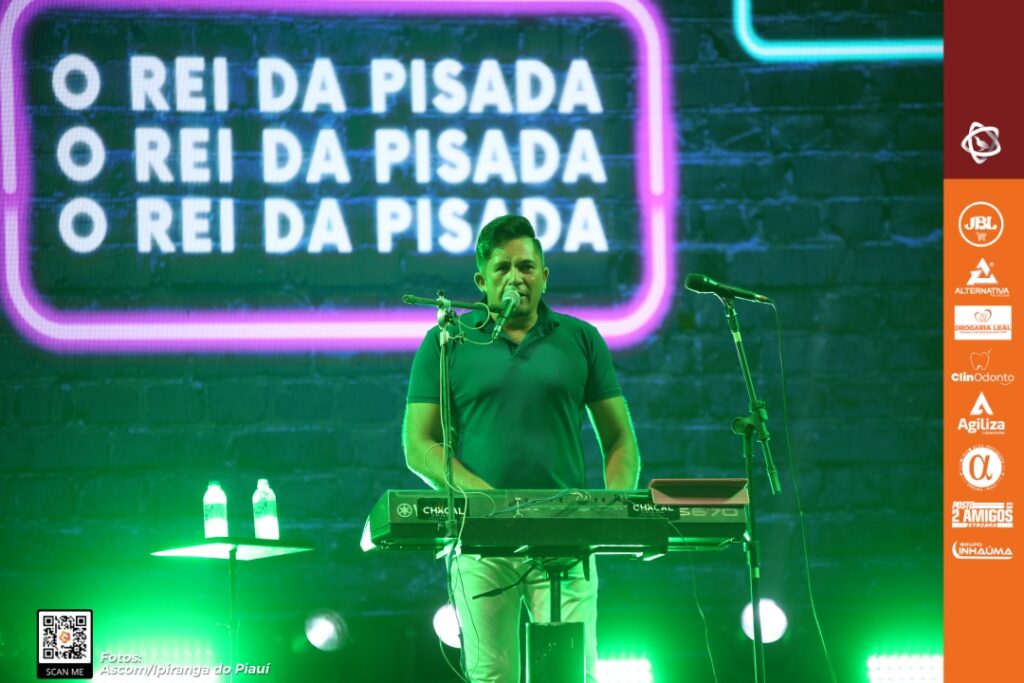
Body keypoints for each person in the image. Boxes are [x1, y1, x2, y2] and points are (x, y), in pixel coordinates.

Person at [403, 214, 640, 683]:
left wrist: (609, 510)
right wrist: (488, 501)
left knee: (572, 673)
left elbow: (619, 439)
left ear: (544, 276)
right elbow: (418, 444)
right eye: (503, 268)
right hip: (480, 539)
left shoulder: (581, 338)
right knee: (492, 674)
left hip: (568, 539)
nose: (516, 278)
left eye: (527, 267)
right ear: (481, 282)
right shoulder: (447, 342)